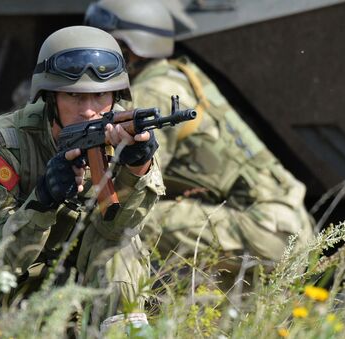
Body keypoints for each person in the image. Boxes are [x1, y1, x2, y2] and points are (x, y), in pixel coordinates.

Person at [85, 0, 315, 277]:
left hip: (264, 228)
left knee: (119, 220)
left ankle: (121, 308)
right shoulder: (178, 75)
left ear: (131, 49)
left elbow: (135, 185)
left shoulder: (153, 92)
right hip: (283, 224)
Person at [0, 25, 164, 327]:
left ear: (115, 95)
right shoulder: (5, 141)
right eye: (74, 96)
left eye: (100, 96)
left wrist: (137, 169)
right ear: (50, 97)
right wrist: (42, 200)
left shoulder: (129, 130)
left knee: (122, 245)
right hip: (23, 297)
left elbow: (119, 230)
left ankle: (125, 331)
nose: (88, 111)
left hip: (96, 287)